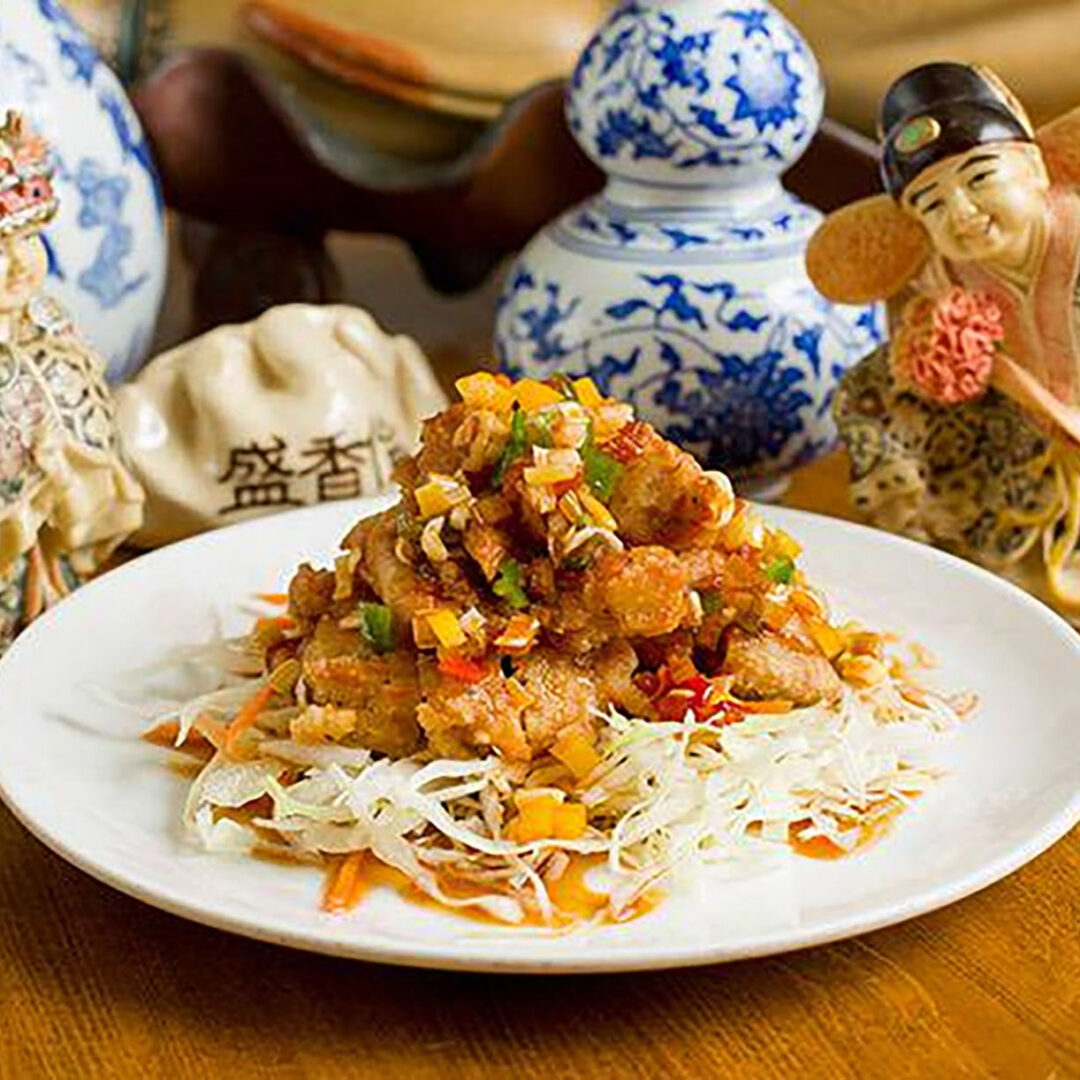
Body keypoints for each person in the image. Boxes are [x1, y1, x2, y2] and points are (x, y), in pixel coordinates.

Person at [806, 63, 1080, 613]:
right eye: (932, 204)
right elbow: (880, 394)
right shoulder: (941, 286)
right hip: (1023, 466)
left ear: (1033, 167)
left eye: (980, 178)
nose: (963, 212)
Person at [0, 111, 143, 651]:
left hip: (48, 535)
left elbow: (85, 408)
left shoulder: (48, 324)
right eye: (1, 248)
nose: (20, 264)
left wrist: (65, 461)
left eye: (28, 240)